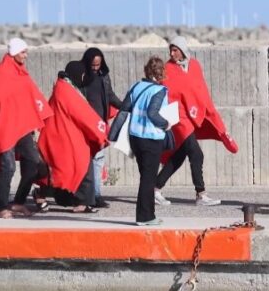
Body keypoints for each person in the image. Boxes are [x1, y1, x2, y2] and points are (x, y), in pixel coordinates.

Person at [154, 36, 238, 206]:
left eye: (175, 50)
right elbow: (166, 93)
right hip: (178, 117)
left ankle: (154, 188)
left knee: (179, 156)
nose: (172, 53)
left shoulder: (195, 66)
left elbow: (200, 89)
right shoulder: (167, 68)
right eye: (171, 50)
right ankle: (201, 194)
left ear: (183, 50)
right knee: (196, 153)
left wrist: (207, 111)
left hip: (191, 116)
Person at [0, 38, 53, 219]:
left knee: (35, 164)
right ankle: (2, 206)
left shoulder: (22, 73)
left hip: (22, 127)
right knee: (7, 167)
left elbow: (30, 96)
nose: (26, 56)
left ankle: (18, 202)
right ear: (14, 53)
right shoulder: (1, 73)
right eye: (23, 52)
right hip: (5, 127)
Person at [37, 61, 108, 213]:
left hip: (62, 135)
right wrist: (100, 130)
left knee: (62, 170)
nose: (83, 78)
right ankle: (80, 202)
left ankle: (45, 194)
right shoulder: (67, 90)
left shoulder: (63, 87)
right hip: (64, 137)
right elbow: (82, 114)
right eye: (82, 75)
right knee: (80, 166)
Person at [119, 56, 172, 226]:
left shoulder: (136, 86)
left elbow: (125, 107)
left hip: (135, 137)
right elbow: (152, 113)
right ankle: (145, 217)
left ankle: (150, 214)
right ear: (161, 72)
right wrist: (166, 124)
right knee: (148, 179)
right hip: (151, 138)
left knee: (145, 177)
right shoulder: (159, 91)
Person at [81, 48, 123, 208]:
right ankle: (88, 196)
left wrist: (124, 105)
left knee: (98, 160)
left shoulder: (104, 75)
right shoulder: (82, 76)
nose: (95, 68)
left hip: (100, 124)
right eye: (92, 65)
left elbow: (110, 95)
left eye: (98, 65)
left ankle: (95, 195)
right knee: (89, 160)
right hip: (86, 123)